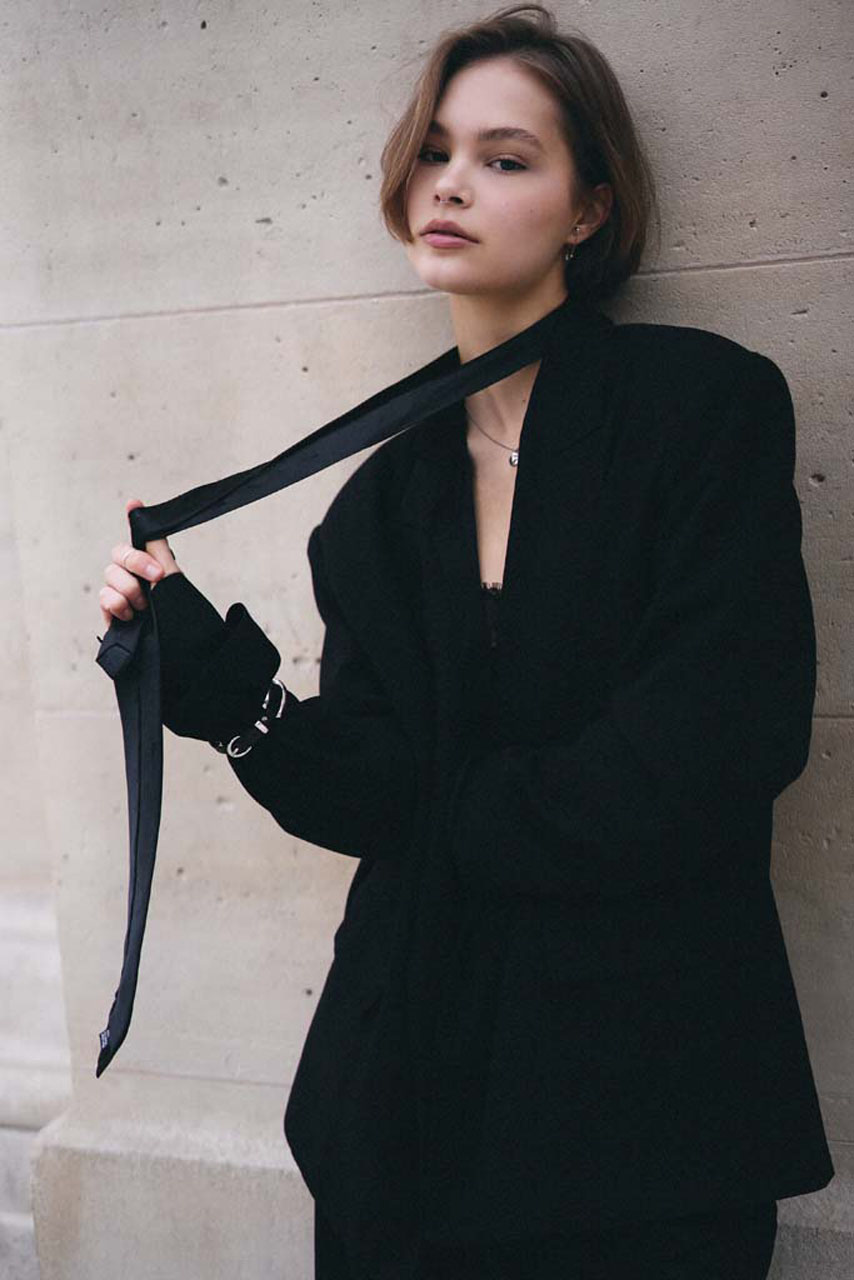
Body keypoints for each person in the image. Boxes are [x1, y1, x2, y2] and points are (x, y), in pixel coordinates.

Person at [97, 6, 833, 1278]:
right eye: (434, 151)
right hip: (406, 1116)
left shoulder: (700, 409)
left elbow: (718, 739)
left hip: (647, 1113)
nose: (448, 183)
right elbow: (372, 790)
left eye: (504, 157)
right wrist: (219, 689)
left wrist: (446, 818)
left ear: (589, 208)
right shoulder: (376, 505)